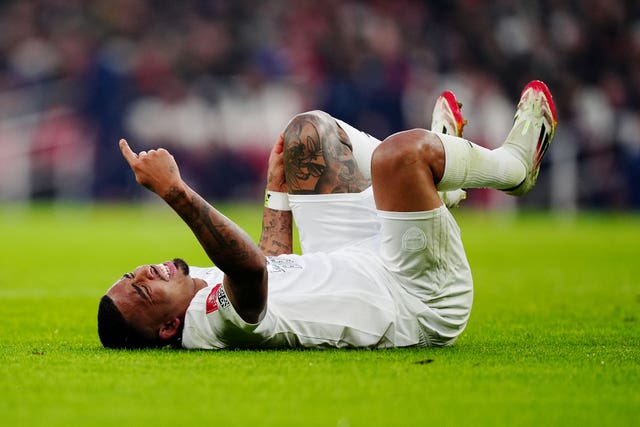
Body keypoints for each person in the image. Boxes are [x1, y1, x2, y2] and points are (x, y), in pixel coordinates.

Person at [98, 80, 557, 350]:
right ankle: (512, 168)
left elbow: (272, 263)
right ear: (167, 327)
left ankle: (438, 186)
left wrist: (277, 189)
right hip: (417, 296)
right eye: (142, 287)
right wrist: (175, 191)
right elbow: (251, 269)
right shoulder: (211, 321)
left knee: (305, 134)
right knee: (398, 156)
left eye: (131, 273)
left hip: (353, 256)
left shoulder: (193, 291)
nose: (144, 271)